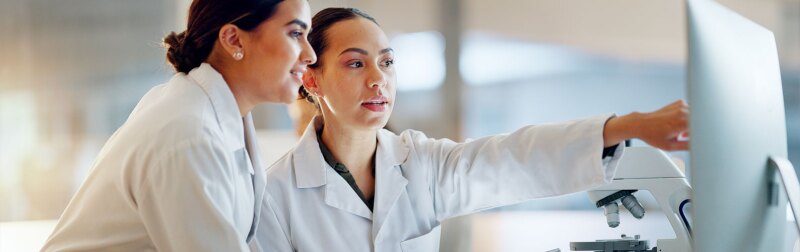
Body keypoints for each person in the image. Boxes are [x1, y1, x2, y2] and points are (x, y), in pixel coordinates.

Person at [255, 7, 689, 252]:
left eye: (386, 62)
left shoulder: (423, 163)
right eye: (355, 63)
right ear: (311, 79)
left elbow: (513, 158)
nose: (378, 79)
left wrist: (630, 126)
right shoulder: (275, 196)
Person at [42, 0, 316, 250]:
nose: (310, 55)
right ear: (234, 40)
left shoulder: (208, 113)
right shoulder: (190, 135)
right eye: (295, 33)